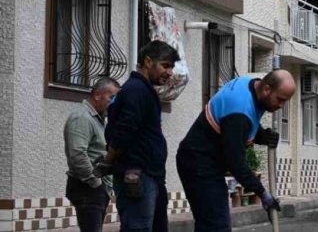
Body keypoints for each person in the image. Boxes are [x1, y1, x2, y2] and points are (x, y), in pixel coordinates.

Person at [176, 70, 297, 231]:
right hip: (198, 165)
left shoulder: (250, 85)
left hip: (203, 161)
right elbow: (236, 163)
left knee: (212, 224)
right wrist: (263, 194)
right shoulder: (239, 113)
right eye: (280, 99)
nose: (281, 106)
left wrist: (263, 136)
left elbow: (244, 125)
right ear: (267, 89)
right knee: (216, 226)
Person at [105, 40, 180, 232]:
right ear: (148, 62)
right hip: (137, 176)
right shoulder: (136, 90)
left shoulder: (145, 90)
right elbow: (123, 131)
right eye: (165, 65)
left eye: (171, 67)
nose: (170, 72)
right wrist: (109, 159)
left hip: (151, 176)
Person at [64, 77, 120, 232]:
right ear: (97, 95)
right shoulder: (82, 117)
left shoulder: (98, 119)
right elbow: (77, 155)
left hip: (95, 189)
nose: (114, 103)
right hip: (87, 188)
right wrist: (96, 183)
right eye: (112, 97)